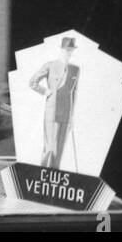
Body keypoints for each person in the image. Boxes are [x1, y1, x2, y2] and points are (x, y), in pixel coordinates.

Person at [29, 36, 80, 170]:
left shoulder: (76, 69)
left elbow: (74, 93)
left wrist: (72, 116)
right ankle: (43, 174)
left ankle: (54, 177)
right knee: (50, 148)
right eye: (66, 50)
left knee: (60, 150)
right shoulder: (50, 65)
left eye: (71, 50)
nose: (68, 53)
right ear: (61, 50)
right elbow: (32, 82)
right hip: (52, 111)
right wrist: (45, 91)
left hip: (66, 113)